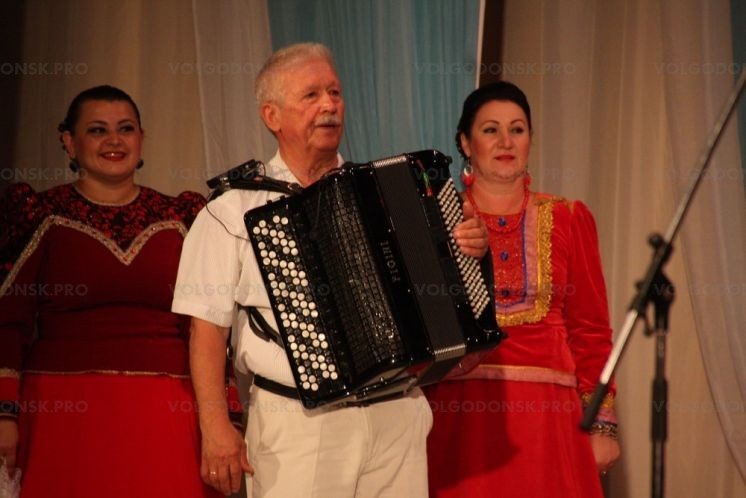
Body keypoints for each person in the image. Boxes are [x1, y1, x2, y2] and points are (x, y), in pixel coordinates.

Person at [171, 42, 489, 498]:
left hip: (397, 413)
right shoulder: (231, 209)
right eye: (311, 95)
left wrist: (467, 250)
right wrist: (215, 425)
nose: (329, 105)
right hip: (299, 423)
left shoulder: (386, 192)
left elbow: (437, 282)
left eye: (335, 93)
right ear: (271, 116)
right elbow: (206, 330)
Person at [0, 85, 219, 498]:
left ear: (142, 139)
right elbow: (8, 322)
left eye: (126, 129)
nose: (114, 140)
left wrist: (224, 418)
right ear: (69, 141)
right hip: (62, 413)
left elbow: (206, 327)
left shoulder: (181, 217)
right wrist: (4, 414)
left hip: (168, 414)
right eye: (98, 130)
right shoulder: (42, 215)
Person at [423, 81, 621, 498]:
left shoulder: (568, 217)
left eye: (517, 129)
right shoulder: (434, 220)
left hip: (549, 422)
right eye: (490, 130)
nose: (506, 141)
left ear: (531, 139)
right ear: (466, 142)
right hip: (458, 414)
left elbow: (590, 330)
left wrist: (601, 424)